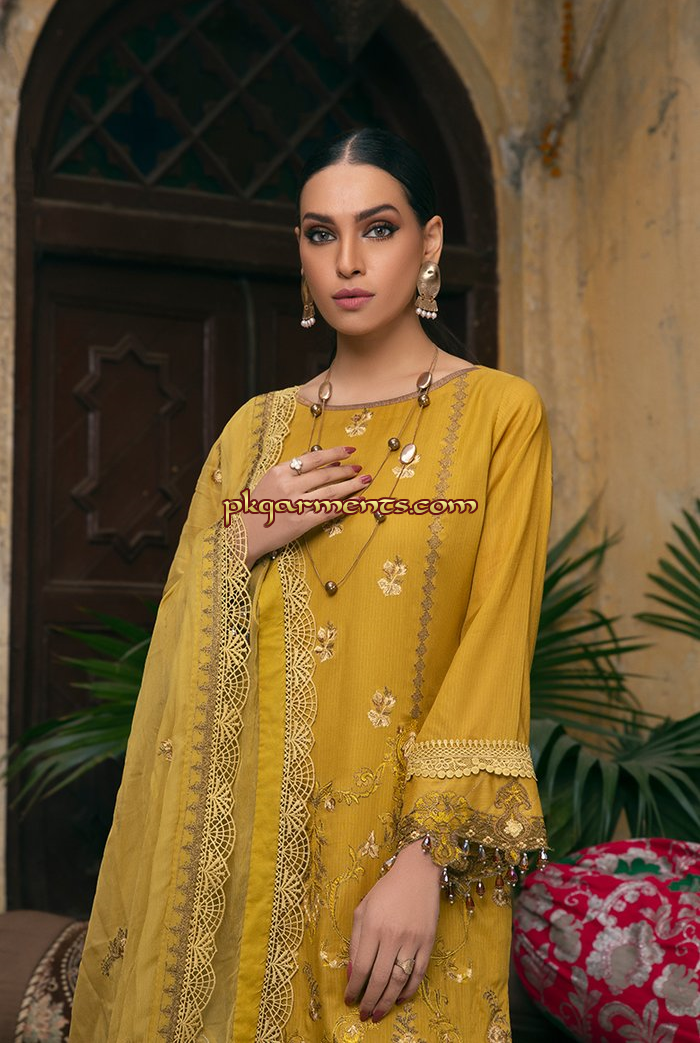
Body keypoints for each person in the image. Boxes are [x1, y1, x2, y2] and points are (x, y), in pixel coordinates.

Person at [69, 126, 553, 1042]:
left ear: (430, 242)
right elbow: (179, 652)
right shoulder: (254, 432)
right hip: (257, 870)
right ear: (299, 250)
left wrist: (425, 863)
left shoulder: (500, 416)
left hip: (417, 879)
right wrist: (243, 535)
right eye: (321, 233)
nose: (348, 261)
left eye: (379, 228)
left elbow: (497, 640)